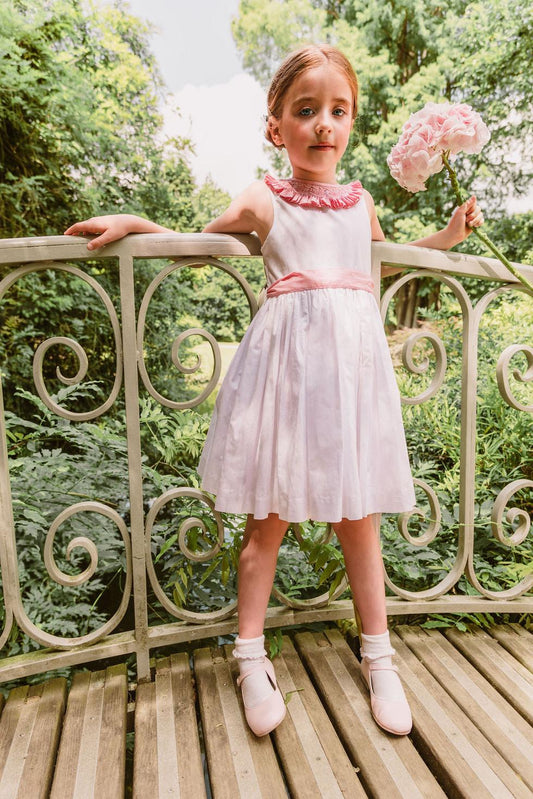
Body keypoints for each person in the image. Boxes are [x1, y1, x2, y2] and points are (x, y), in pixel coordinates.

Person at [65, 44, 483, 738]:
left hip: (350, 385)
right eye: (306, 110)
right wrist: (136, 226)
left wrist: (448, 234)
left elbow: (386, 262)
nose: (323, 124)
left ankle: (379, 655)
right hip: (287, 384)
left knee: (360, 523)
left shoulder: (360, 203)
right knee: (267, 524)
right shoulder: (265, 198)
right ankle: (250, 655)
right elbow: (197, 243)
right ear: (276, 125)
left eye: (338, 111)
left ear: (351, 122)